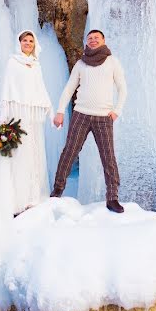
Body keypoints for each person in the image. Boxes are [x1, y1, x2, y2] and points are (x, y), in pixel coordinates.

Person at [50, 29, 127, 213]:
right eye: (90, 38)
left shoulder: (112, 62)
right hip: (81, 115)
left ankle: (112, 198)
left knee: (108, 158)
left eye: (96, 38)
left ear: (103, 40)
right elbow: (69, 88)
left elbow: (123, 88)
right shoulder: (81, 64)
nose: (92, 40)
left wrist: (116, 111)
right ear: (86, 41)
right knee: (69, 152)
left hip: (103, 118)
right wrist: (60, 111)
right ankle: (57, 191)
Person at [0, 30, 54, 216]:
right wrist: (4, 114)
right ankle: (17, 197)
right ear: (19, 43)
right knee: (19, 152)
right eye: (24, 40)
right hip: (17, 112)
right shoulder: (13, 62)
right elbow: (8, 88)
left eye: (31, 41)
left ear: (35, 44)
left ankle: (33, 195)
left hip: (31, 114)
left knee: (33, 150)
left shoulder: (36, 65)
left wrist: (49, 108)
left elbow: (40, 88)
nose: (28, 43)